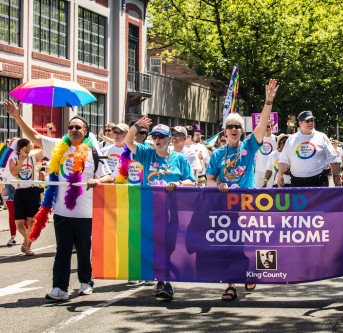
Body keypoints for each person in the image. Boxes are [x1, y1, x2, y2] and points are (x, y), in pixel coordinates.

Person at [4, 98, 114, 302]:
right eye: (71, 127)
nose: (73, 130)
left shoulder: (93, 152)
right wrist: (17, 117)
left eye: (78, 127)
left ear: (86, 131)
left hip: (85, 211)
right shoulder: (57, 147)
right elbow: (35, 136)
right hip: (62, 211)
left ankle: (85, 282)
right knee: (62, 250)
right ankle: (59, 288)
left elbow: (109, 176)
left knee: (83, 248)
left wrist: (96, 180)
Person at [206, 78, 279, 301]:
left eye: (238, 126)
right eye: (231, 126)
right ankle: (230, 286)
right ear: (224, 131)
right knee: (229, 245)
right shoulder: (217, 154)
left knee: (253, 242)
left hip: (249, 203)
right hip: (226, 206)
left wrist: (268, 102)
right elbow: (208, 180)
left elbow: (262, 124)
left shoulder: (249, 145)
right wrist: (217, 184)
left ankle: (252, 272)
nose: (235, 129)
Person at [125, 120, 196, 300]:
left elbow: (191, 181)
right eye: (154, 136)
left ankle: (164, 281)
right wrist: (135, 126)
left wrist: (178, 183)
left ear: (169, 139)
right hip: (150, 208)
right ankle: (162, 280)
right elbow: (128, 142)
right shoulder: (146, 153)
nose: (157, 140)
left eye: (161, 137)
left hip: (173, 209)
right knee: (155, 245)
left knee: (169, 245)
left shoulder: (179, 158)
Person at [277, 110, 341, 187]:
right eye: (307, 121)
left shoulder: (321, 137)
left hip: (318, 181)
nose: (310, 123)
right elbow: (283, 159)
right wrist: (280, 175)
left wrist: (336, 177)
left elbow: (332, 158)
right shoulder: (292, 139)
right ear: (300, 123)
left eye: (312, 120)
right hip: (297, 182)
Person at [8, 138, 45, 256]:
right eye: (27, 147)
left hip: (33, 191)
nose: (30, 149)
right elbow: (14, 173)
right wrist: (21, 160)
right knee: (19, 223)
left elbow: (46, 149)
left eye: (31, 147)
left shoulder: (33, 158)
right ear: (20, 148)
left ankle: (28, 247)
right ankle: (26, 239)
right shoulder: (13, 159)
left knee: (31, 221)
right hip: (20, 192)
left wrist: (48, 132)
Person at [254, 120, 277, 187]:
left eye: (268, 126)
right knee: (257, 193)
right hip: (259, 171)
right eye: (264, 126)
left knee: (270, 194)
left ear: (272, 127)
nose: (266, 128)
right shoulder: (258, 139)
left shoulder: (276, 139)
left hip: (271, 172)